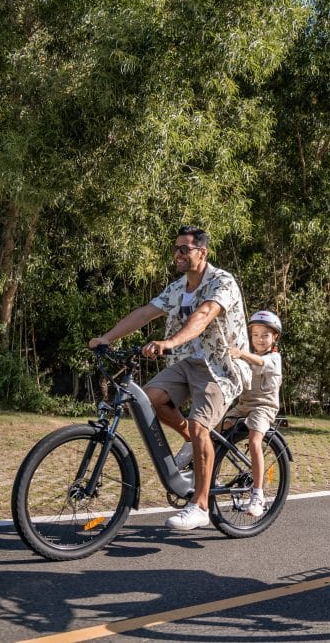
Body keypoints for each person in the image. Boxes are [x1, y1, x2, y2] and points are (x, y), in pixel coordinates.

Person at [89, 225, 251, 531]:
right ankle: (193, 442)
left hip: (221, 367)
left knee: (201, 424)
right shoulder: (177, 288)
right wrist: (105, 337)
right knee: (147, 399)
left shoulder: (222, 281)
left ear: (202, 253)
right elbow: (145, 313)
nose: (177, 254)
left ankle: (200, 505)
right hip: (186, 363)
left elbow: (203, 315)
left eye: (184, 249)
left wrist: (170, 342)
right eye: (175, 249)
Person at [226, 310, 284, 518]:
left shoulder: (274, 357)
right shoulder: (246, 356)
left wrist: (241, 353)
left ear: (274, 337)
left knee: (254, 440)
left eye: (265, 335)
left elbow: (260, 363)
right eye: (256, 335)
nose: (260, 339)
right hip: (243, 405)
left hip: (264, 407)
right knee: (216, 429)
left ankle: (258, 493)